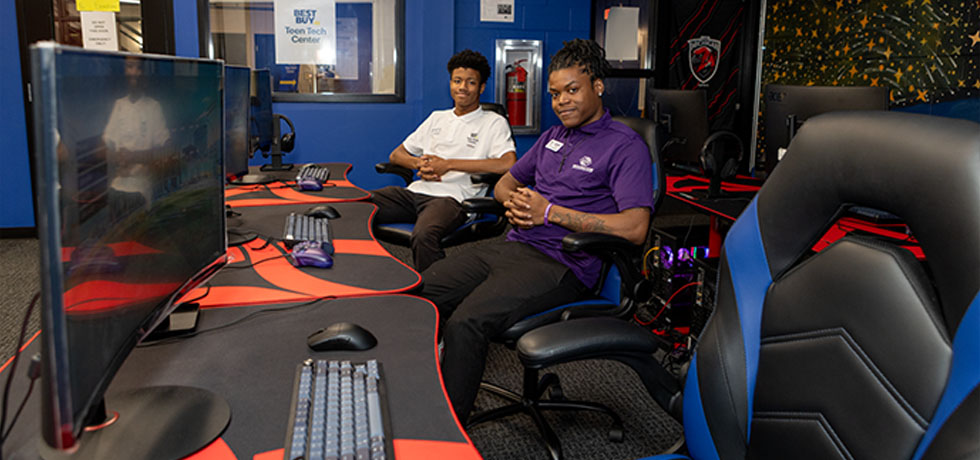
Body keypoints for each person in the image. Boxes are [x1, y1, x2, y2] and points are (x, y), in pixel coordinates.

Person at [420, 39, 654, 422]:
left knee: (466, 323)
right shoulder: (552, 137)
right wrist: (514, 203)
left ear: (598, 86)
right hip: (513, 246)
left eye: (572, 90)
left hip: (563, 262)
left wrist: (550, 213)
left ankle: (448, 432)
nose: (561, 101)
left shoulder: (625, 147)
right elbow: (503, 184)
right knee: (418, 293)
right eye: (555, 94)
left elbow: (635, 228)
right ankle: (426, 390)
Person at [369, 50, 517, 271]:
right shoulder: (437, 117)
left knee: (424, 235)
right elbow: (396, 155)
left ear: (481, 87)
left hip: (452, 199)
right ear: (450, 83)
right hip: (414, 192)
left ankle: (435, 294)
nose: (462, 87)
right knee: (358, 207)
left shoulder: (493, 122)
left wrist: (448, 165)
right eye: (457, 81)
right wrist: (420, 164)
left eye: (470, 82)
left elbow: (508, 164)